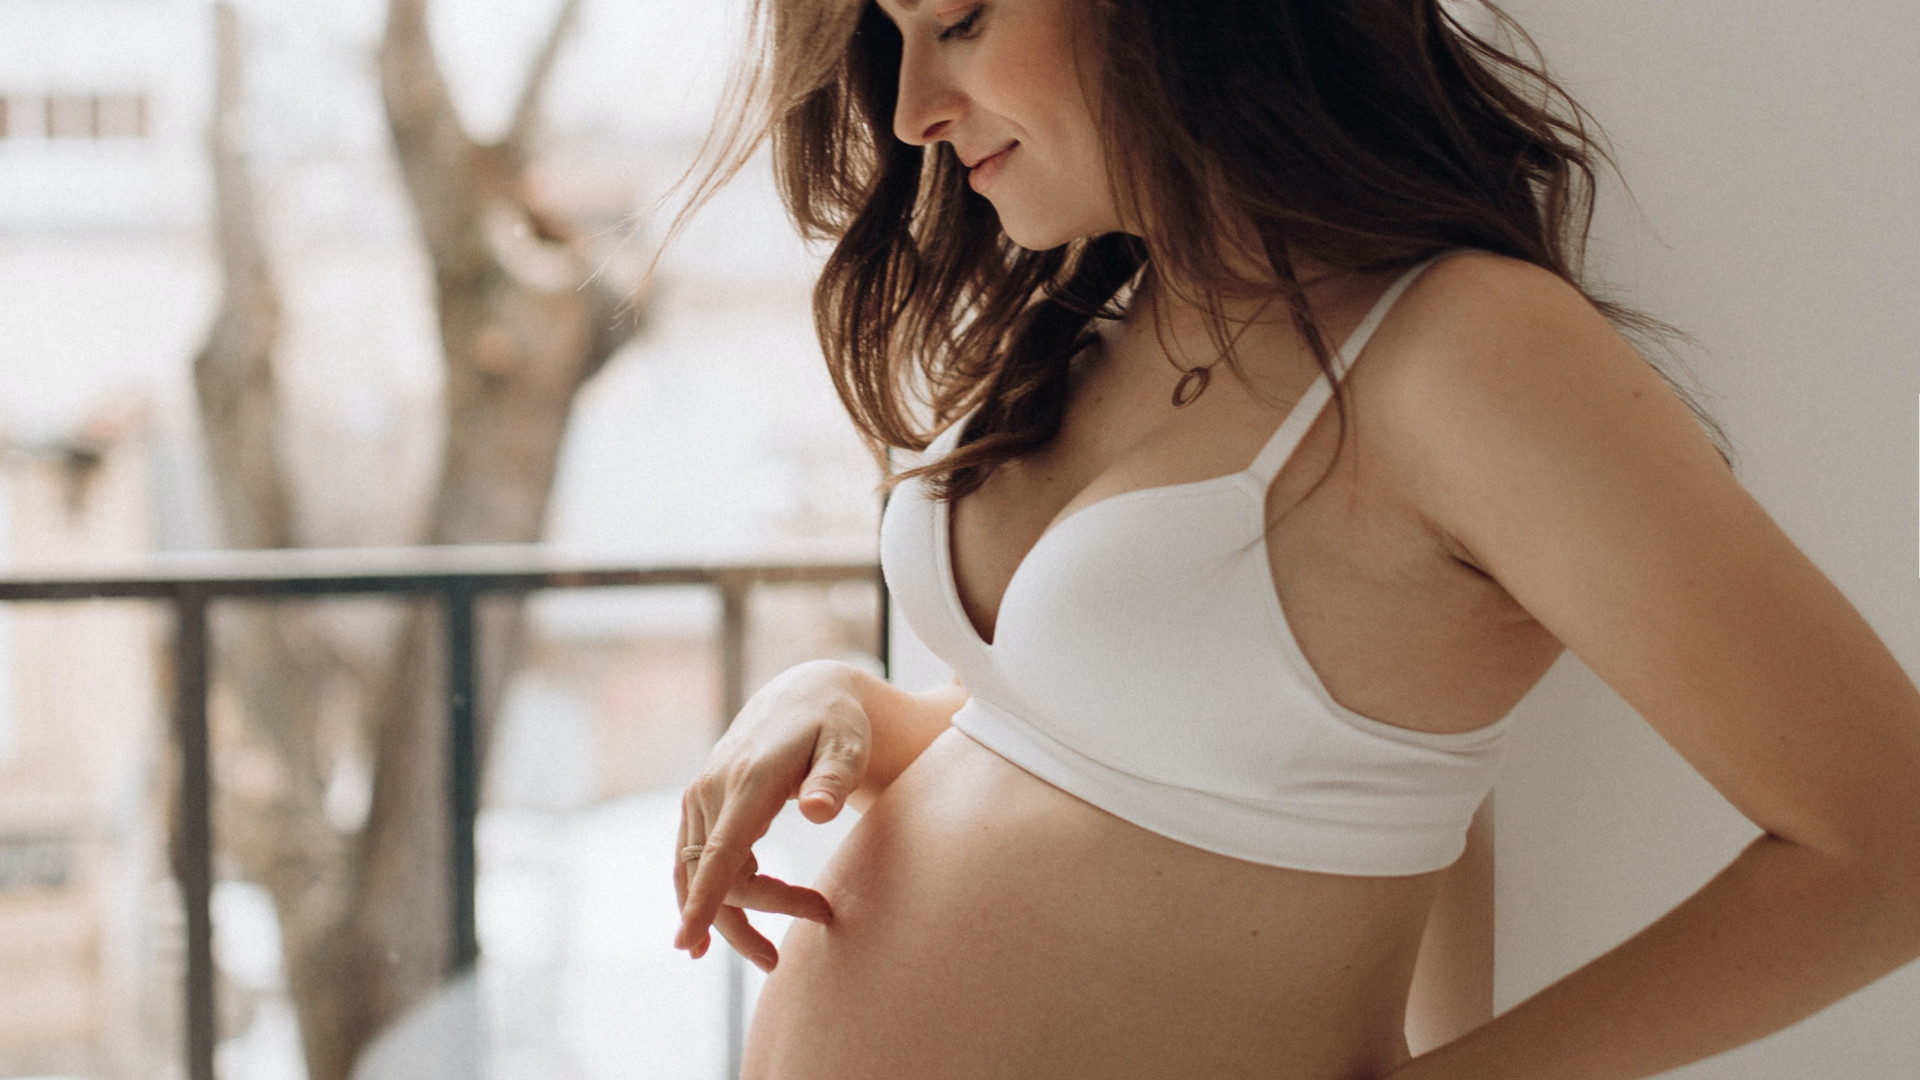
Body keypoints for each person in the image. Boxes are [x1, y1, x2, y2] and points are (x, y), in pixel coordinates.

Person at [668, 1, 1920, 1077]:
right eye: (894, 37)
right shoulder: (1100, 321)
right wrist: (842, 702)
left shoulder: (1466, 356)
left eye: (963, 20)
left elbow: (1887, 848)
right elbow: (1109, 757)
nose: (911, 111)